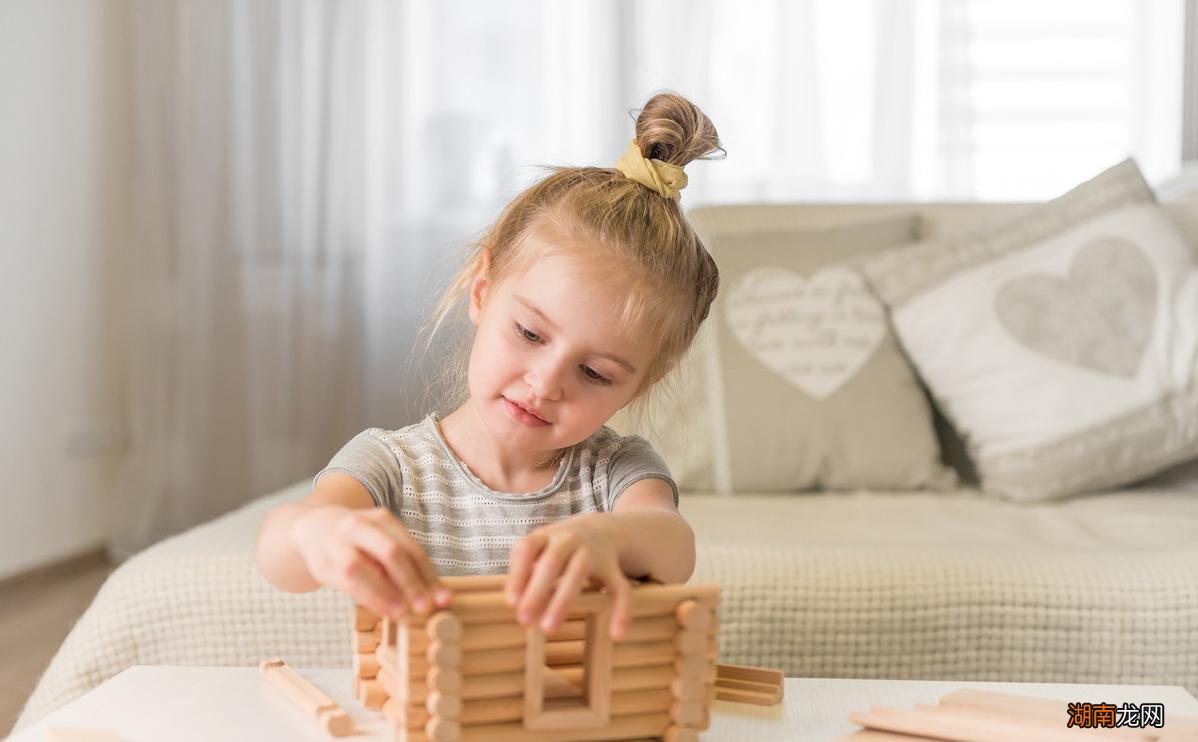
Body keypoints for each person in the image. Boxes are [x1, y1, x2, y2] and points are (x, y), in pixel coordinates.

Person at [255, 91, 723, 641]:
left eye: (595, 373)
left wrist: (609, 539)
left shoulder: (616, 473)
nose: (545, 384)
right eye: (529, 334)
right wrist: (319, 534)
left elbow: (672, 545)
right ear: (481, 291)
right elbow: (279, 552)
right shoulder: (392, 466)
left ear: (644, 383)